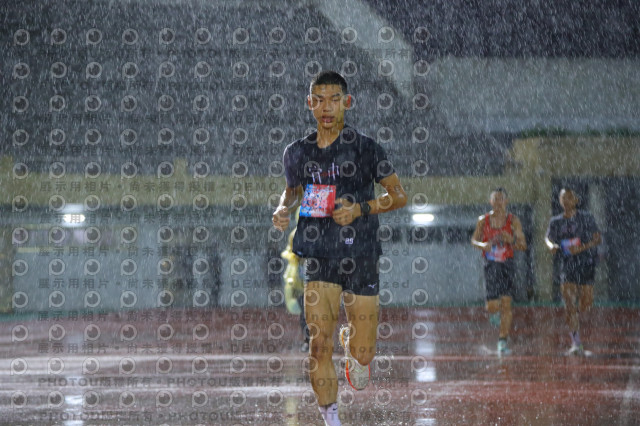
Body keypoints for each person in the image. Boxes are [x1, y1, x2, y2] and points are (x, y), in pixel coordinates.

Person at [272, 70, 407, 426]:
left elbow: (398, 196)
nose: (326, 107)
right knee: (318, 346)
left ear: (347, 102)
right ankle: (332, 419)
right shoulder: (297, 152)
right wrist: (282, 208)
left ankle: (354, 350)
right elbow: (292, 191)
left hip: (360, 254)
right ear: (309, 104)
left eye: (334, 100)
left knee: (364, 352)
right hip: (319, 255)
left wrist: (360, 209)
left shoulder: (367, 148)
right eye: (319, 100)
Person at [545, 187, 601, 355]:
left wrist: (582, 247)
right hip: (567, 265)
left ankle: (579, 311)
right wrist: (551, 246)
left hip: (586, 263)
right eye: (563, 198)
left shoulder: (586, 218)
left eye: (570, 197)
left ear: (576, 200)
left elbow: (597, 238)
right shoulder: (556, 221)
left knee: (585, 304)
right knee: (570, 304)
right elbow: (547, 238)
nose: (566, 201)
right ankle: (576, 343)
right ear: (560, 201)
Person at [471, 187, 527, 355]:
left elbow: (522, 245)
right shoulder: (483, 220)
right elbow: (474, 240)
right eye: (495, 199)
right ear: (490, 201)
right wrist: (483, 245)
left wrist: (511, 240)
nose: (498, 202)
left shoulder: (513, 220)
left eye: (501, 199)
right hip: (490, 265)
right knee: (492, 306)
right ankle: (494, 315)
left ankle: (502, 341)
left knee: (506, 304)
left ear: (506, 201)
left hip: (507, 265)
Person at [281, 222, 310, 352]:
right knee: (305, 312)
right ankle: (308, 339)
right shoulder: (295, 234)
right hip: (301, 281)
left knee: (315, 312)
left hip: (317, 278)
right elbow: (291, 252)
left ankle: (316, 338)